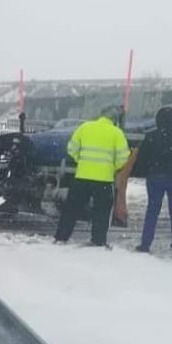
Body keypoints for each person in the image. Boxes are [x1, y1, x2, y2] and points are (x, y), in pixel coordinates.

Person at [54, 104, 131, 247]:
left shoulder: (85, 127)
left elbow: (72, 148)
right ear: (114, 120)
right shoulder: (116, 132)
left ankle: (61, 237)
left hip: (82, 176)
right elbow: (124, 156)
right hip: (104, 179)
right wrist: (113, 167)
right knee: (101, 211)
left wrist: (81, 160)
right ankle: (98, 240)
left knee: (71, 208)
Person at [133, 105, 172, 253]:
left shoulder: (151, 135)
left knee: (152, 210)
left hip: (156, 175)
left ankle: (145, 243)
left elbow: (142, 158)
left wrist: (144, 172)